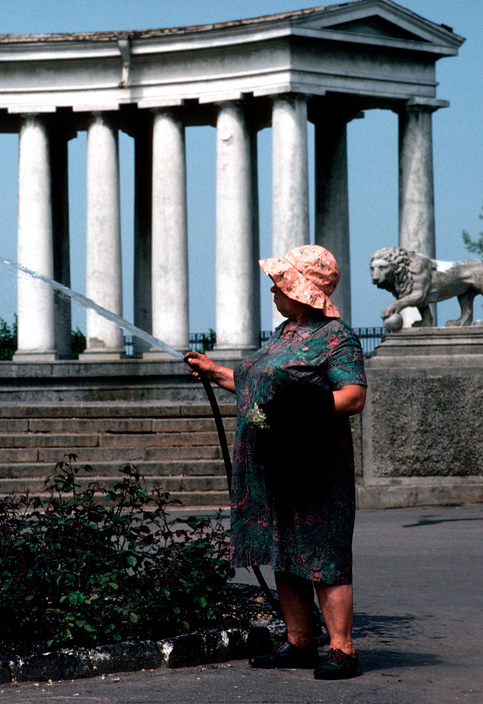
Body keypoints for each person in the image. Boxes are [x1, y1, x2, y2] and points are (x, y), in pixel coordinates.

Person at [184, 244, 367, 681]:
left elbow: (354, 395)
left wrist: (307, 408)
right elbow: (255, 387)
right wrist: (214, 371)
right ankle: (301, 641)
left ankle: (342, 648)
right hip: (272, 466)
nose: (272, 288)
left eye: (280, 282)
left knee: (325, 553)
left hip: (313, 466)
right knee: (285, 548)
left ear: (302, 290)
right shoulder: (285, 334)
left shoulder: (336, 337)